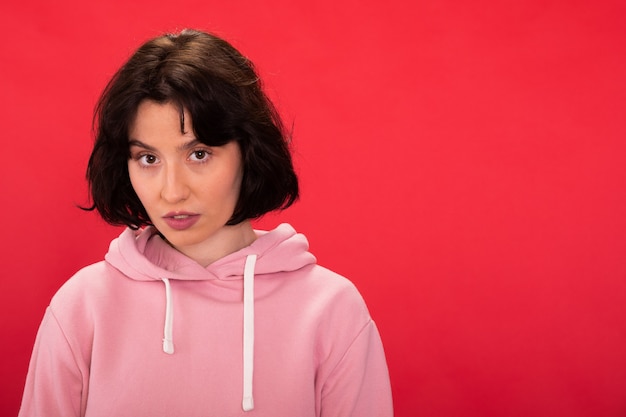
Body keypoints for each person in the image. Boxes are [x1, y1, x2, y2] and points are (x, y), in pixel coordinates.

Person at [19, 29, 393, 417]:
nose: (172, 192)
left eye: (198, 154)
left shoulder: (331, 311)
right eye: (148, 159)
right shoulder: (83, 307)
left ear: (248, 150)